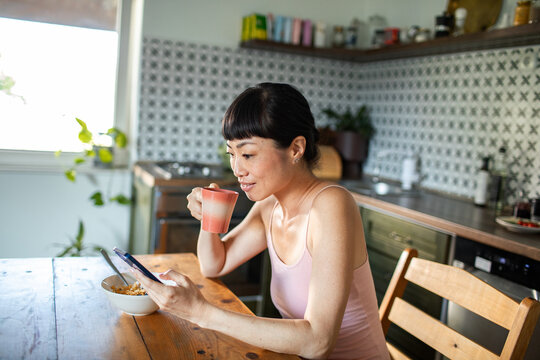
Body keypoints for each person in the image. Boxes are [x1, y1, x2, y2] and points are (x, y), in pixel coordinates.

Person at [134, 83, 390, 359]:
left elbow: (318, 342)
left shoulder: (331, 205)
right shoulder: (269, 206)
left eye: (248, 154)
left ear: (295, 149)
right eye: (232, 154)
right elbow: (213, 264)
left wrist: (201, 312)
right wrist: (208, 216)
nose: (237, 169)